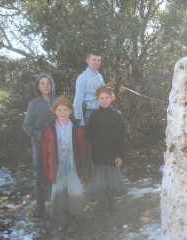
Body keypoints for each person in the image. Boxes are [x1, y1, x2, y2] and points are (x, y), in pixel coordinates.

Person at [42, 95, 91, 231]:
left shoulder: (77, 128)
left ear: (70, 111)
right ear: (54, 111)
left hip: (73, 165)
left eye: (65, 110)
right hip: (57, 165)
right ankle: (63, 217)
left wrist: (86, 168)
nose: (62, 113)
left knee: (73, 190)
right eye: (59, 110)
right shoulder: (50, 129)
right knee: (59, 190)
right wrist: (46, 170)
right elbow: (46, 151)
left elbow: (84, 149)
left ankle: (73, 219)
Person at [86, 86, 127, 216]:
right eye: (101, 98)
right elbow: (90, 136)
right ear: (97, 99)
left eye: (107, 98)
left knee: (110, 179)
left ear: (111, 98)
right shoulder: (94, 115)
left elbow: (121, 137)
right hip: (98, 154)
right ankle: (101, 205)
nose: (104, 100)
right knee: (99, 179)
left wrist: (119, 155)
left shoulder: (117, 115)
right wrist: (91, 155)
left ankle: (111, 204)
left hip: (111, 153)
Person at [22, 73, 56, 218]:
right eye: (43, 83)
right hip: (40, 145)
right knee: (40, 175)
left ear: (52, 84)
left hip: (56, 145)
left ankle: (57, 204)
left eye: (48, 83)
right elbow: (26, 125)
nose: (46, 86)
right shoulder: (33, 104)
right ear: (38, 86)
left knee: (57, 173)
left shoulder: (59, 101)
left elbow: (68, 119)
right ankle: (40, 207)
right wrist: (37, 134)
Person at [73, 49, 105, 126]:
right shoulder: (83, 77)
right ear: (87, 60)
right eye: (94, 59)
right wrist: (80, 122)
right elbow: (77, 101)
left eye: (99, 60)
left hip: (101, 113)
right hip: (89, 114)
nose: (96, 62)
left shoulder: (100, 77)